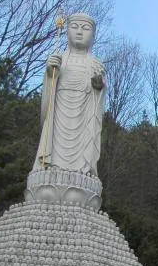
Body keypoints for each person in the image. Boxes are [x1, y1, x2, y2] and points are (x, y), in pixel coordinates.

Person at [33, 13, 105, 176]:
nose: (79, 32)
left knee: (83, 148)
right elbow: (48, 97)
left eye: (85, 28)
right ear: (67, 32)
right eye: (74, 27)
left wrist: (98, 84)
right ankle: (49, 168)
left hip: (83, 118)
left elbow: (98, 97)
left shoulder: (94, 63)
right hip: (59, 116)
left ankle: (82, 171)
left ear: (92, 35)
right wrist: (51, 73)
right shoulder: (59, 59)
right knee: (54, 145)